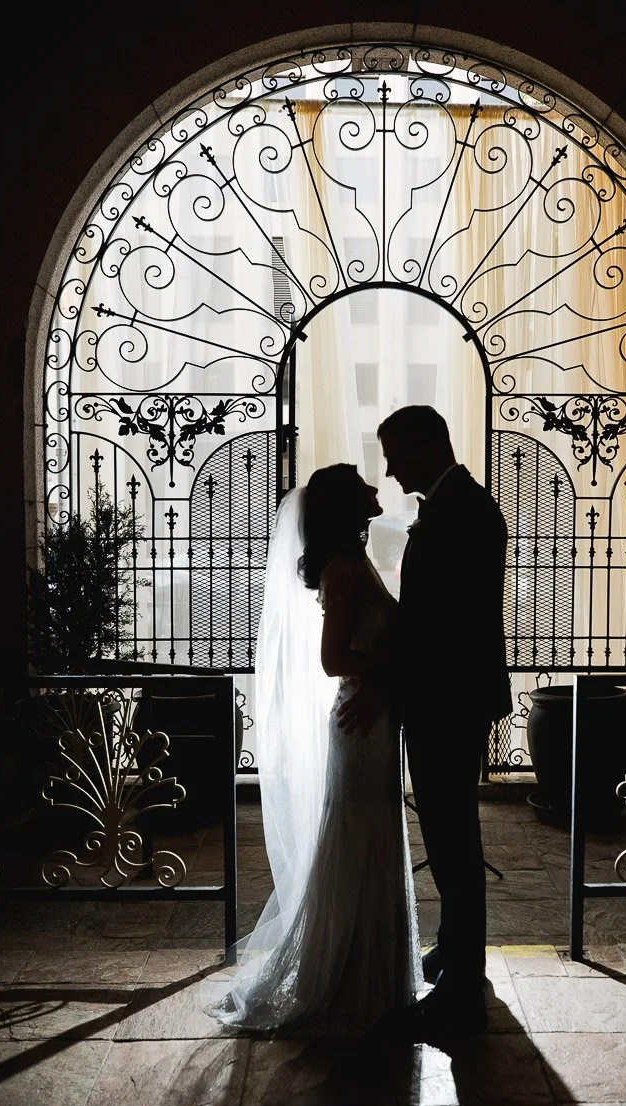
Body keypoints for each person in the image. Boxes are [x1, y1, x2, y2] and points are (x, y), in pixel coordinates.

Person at [208, 464, 421, 1037]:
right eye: (363, 485)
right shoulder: (345, 572)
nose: (377, 489)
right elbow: (334, 661)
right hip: (360, 721)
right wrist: (394, 668)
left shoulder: (354, 563)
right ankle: (346, 978)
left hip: (371, 718)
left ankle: (368, 972)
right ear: (344, 507)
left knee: (368, 834)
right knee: (354, 837)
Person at [338, 406, 512, 1040]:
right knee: (448, 834)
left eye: (395, 454)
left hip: (450, 699)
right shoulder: (455, 503)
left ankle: (461, 984)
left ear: (427, 446)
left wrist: (385, 680)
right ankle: (451, 953)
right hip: (449, 696)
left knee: (453, 841)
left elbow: (441, 623)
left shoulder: (461, 508)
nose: (388, 470)